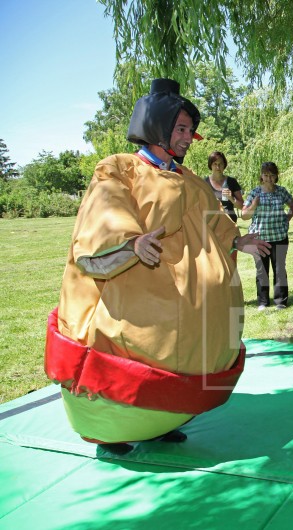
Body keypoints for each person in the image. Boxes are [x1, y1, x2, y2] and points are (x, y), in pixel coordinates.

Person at [44, 79, 270, 454]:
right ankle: (112, 431)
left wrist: (238, 240)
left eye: (190, 130)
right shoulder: (121, 168)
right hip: (135, 289)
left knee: (185, 348)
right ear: (156, 127)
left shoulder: (190, 181)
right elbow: (106, 210)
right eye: (181, 128)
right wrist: (132, 242)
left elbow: (214, 220)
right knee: (131, 346)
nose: (187, 137)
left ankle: (165, 420)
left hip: (184, 300)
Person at [241, 162, 293, 310]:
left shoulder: (281, 191)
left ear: (276, 176)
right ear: (261, 176)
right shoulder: (255, 193)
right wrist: (253, 205)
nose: (269, 178)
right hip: (259, 238)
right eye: (266, 175)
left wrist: (287, 218)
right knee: (262, 270)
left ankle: (281, 302)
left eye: (272, 175)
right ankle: (263, 302)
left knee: (279, 270)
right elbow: (244, 215)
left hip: (279, 236)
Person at [205, 151, 244, 222]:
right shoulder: (204, 182)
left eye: (220, 164)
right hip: (212, 224)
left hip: (230, 224)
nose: (218, 167)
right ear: (210, 165)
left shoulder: (231, 182)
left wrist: (232, 198)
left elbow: (242, 206)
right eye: (215, 164)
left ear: (224, 165)